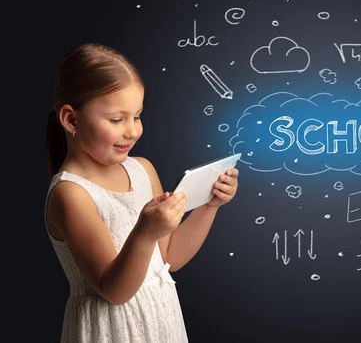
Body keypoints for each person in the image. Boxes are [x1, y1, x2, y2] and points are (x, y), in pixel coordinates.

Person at [44, 42, 239, 343]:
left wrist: (209, 207)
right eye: (116, 119)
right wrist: (145, 233)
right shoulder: (71, 193)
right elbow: (114, 290)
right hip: (110, 330)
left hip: (162, 321)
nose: (132, 130)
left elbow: (167, 260)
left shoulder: (142, 170)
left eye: (136, 116)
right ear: (71, 120)